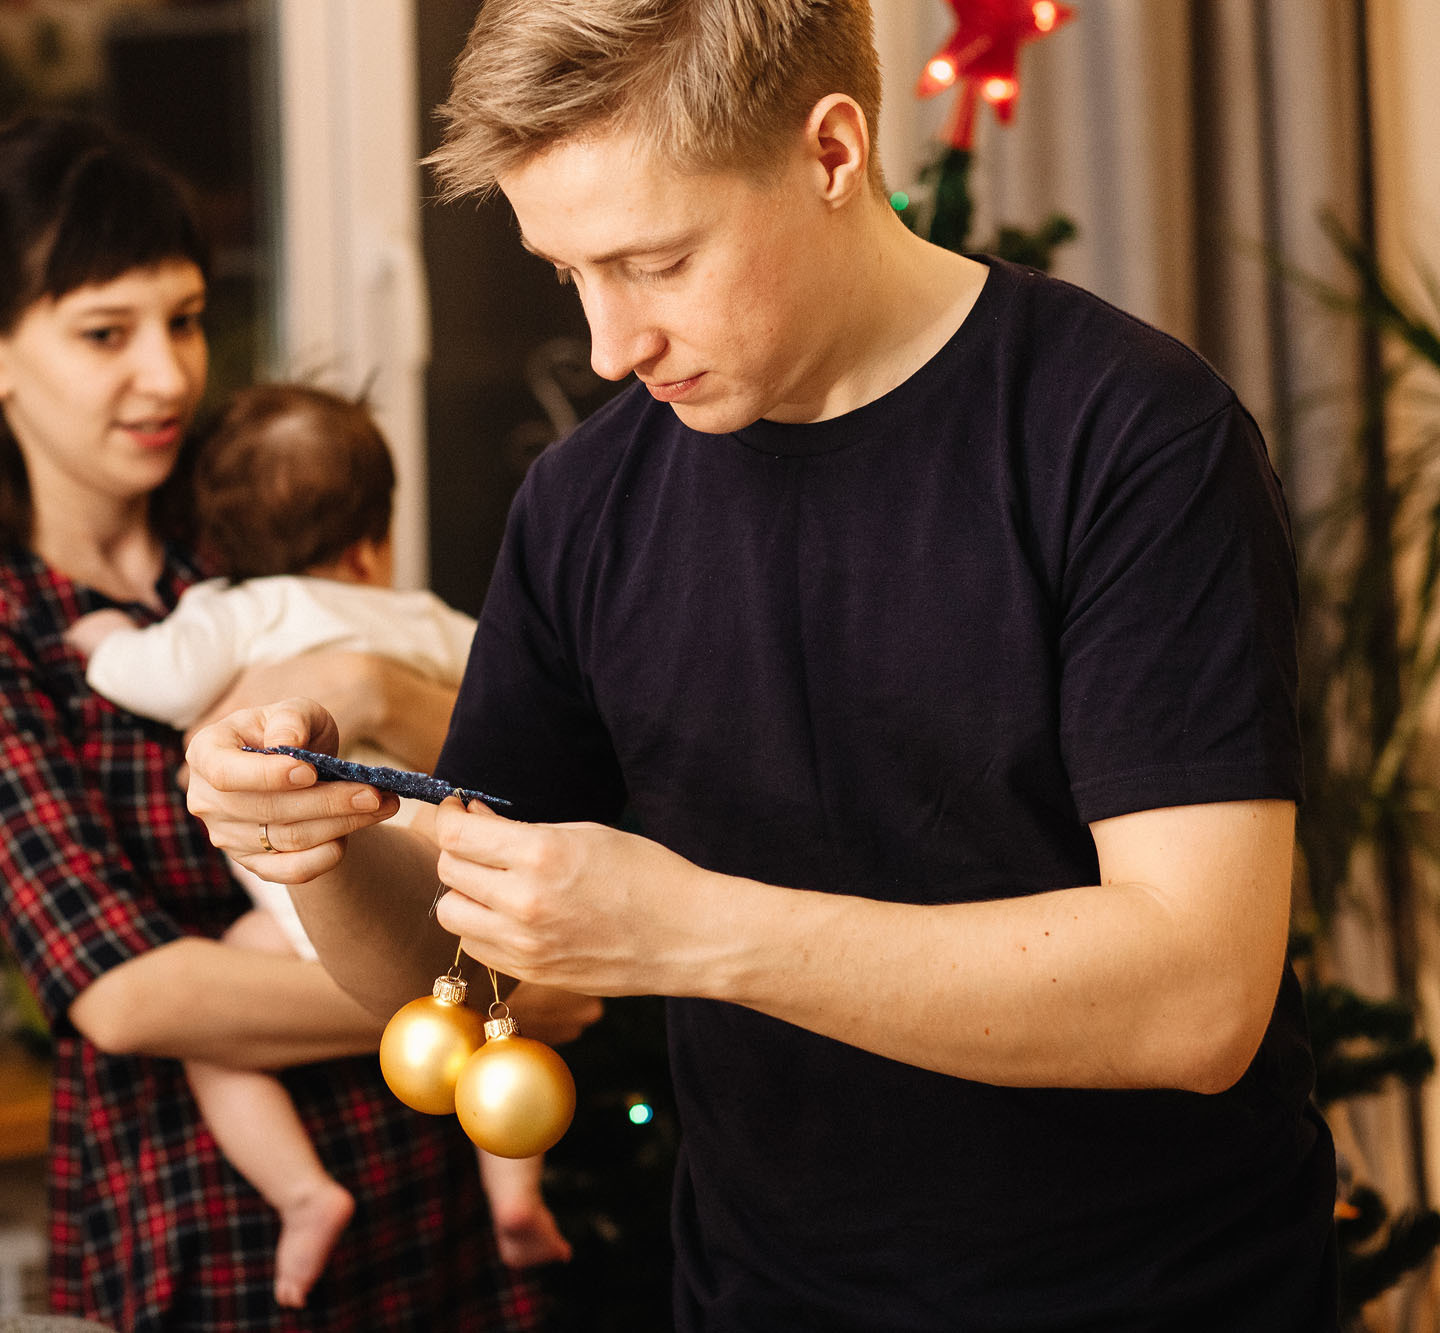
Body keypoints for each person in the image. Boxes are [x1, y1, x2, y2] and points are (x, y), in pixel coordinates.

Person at [181, 2, 1338, 1329]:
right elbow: (490, 985)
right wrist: (319, 845)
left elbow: (1196, 999)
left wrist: (691, 928)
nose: (612, 345)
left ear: (833, 152)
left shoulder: (1130, 435)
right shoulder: (581, 507)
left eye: (655, 262)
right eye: (572, 277)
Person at [0, 113, 595, 1332]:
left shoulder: (255, 519)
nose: (167, 374)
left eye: (187, 319)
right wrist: (479, 994)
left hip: (434, 1178)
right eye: (106, 333)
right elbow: (125, 994)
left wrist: (368, 685)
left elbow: (478, 745)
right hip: (209, 1230)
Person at [64, 383, 574, 1304]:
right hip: (460, 874)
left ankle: (302, 1195)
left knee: (219, 1042)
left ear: (219, 552)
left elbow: (150, 675)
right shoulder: (416, 613)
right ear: (371, 543)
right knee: (505, 1039)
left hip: (329, 894)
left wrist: (102, 638)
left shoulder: (231, 612)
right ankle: (516, 1195)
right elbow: (505, 696)